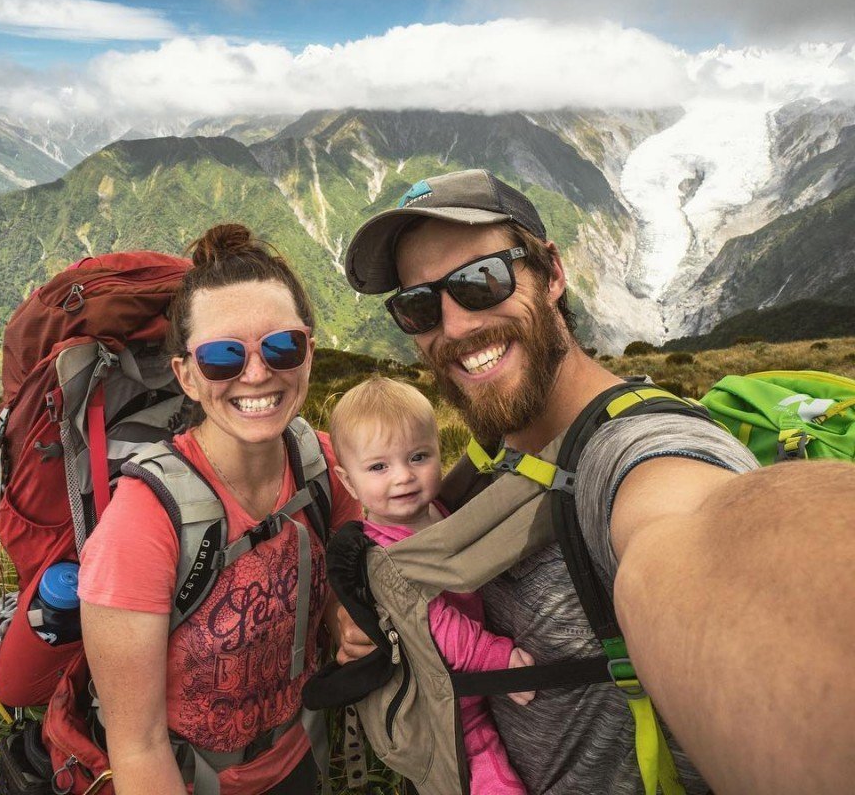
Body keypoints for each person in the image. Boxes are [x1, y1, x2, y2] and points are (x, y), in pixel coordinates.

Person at [337, 168, 855, 795]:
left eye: (481, 281)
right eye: (418, 306)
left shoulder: (635, 455)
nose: (453, 326)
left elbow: (697, 529)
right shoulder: (491, 451)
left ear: (552, 273)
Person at [78, 223, 361, 795]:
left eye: (282, 346)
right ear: (184, 374)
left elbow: (340, 573)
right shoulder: (141, 524)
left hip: (301, 753)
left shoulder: (324, 464)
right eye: (223, 357)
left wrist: (338, 617)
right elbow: (137, 746)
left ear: (309, 349)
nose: (257, 374)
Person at [329, 375, 533, 795]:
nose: (403, 477)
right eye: (379, 467)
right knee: (492, 781)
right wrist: (500, 660)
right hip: (451, 710)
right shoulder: (383, 555)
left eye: (418, 456)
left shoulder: (440, 510)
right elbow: (435, 626)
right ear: (349, 483)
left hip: (473, 688)